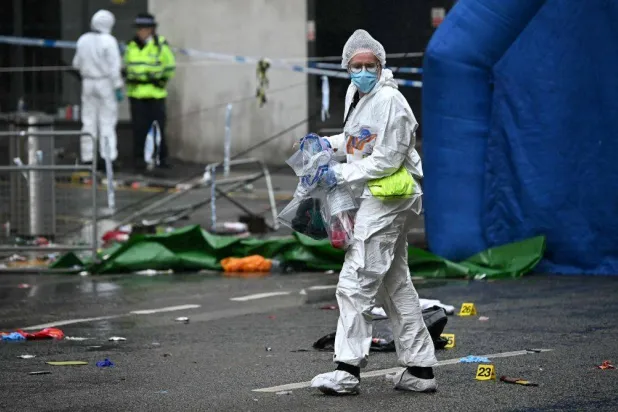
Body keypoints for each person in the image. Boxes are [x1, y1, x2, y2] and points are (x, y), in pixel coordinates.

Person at [310, 29, 438, 395]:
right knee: (395, 284)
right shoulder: (358, 95)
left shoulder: (390, 101)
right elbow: (359, 142)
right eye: (357, 65)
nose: (363, 71)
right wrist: (326, 145)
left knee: (356, 281)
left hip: (388, 199)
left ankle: (347, 370)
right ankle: (420, 369)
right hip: (377, 197)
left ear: (381, 66)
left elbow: (387, 159)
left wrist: (339, 173)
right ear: (347, 67)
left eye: (370, 65)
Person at [123, 13, 176, 171]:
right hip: (136, 94)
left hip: (155, 93)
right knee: (138, 128)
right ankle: (139, 159)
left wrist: (162, 80)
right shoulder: (131, 46)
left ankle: (161, 158)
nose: (141, 31)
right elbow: (126, 66)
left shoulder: (160, 45)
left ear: (151, 29)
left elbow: (170, 66)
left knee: (158, 128)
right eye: (139, 28)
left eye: (144, 28)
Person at [73, 9, 124, 168]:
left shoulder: (83, 39)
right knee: (107, 122)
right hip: (105, 83)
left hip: (87, 83)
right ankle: (108, 158)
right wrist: (118, 87)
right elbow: (114, 67)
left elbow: (76, 64)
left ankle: (87, 157)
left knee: (88, 121)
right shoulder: (109, 41)